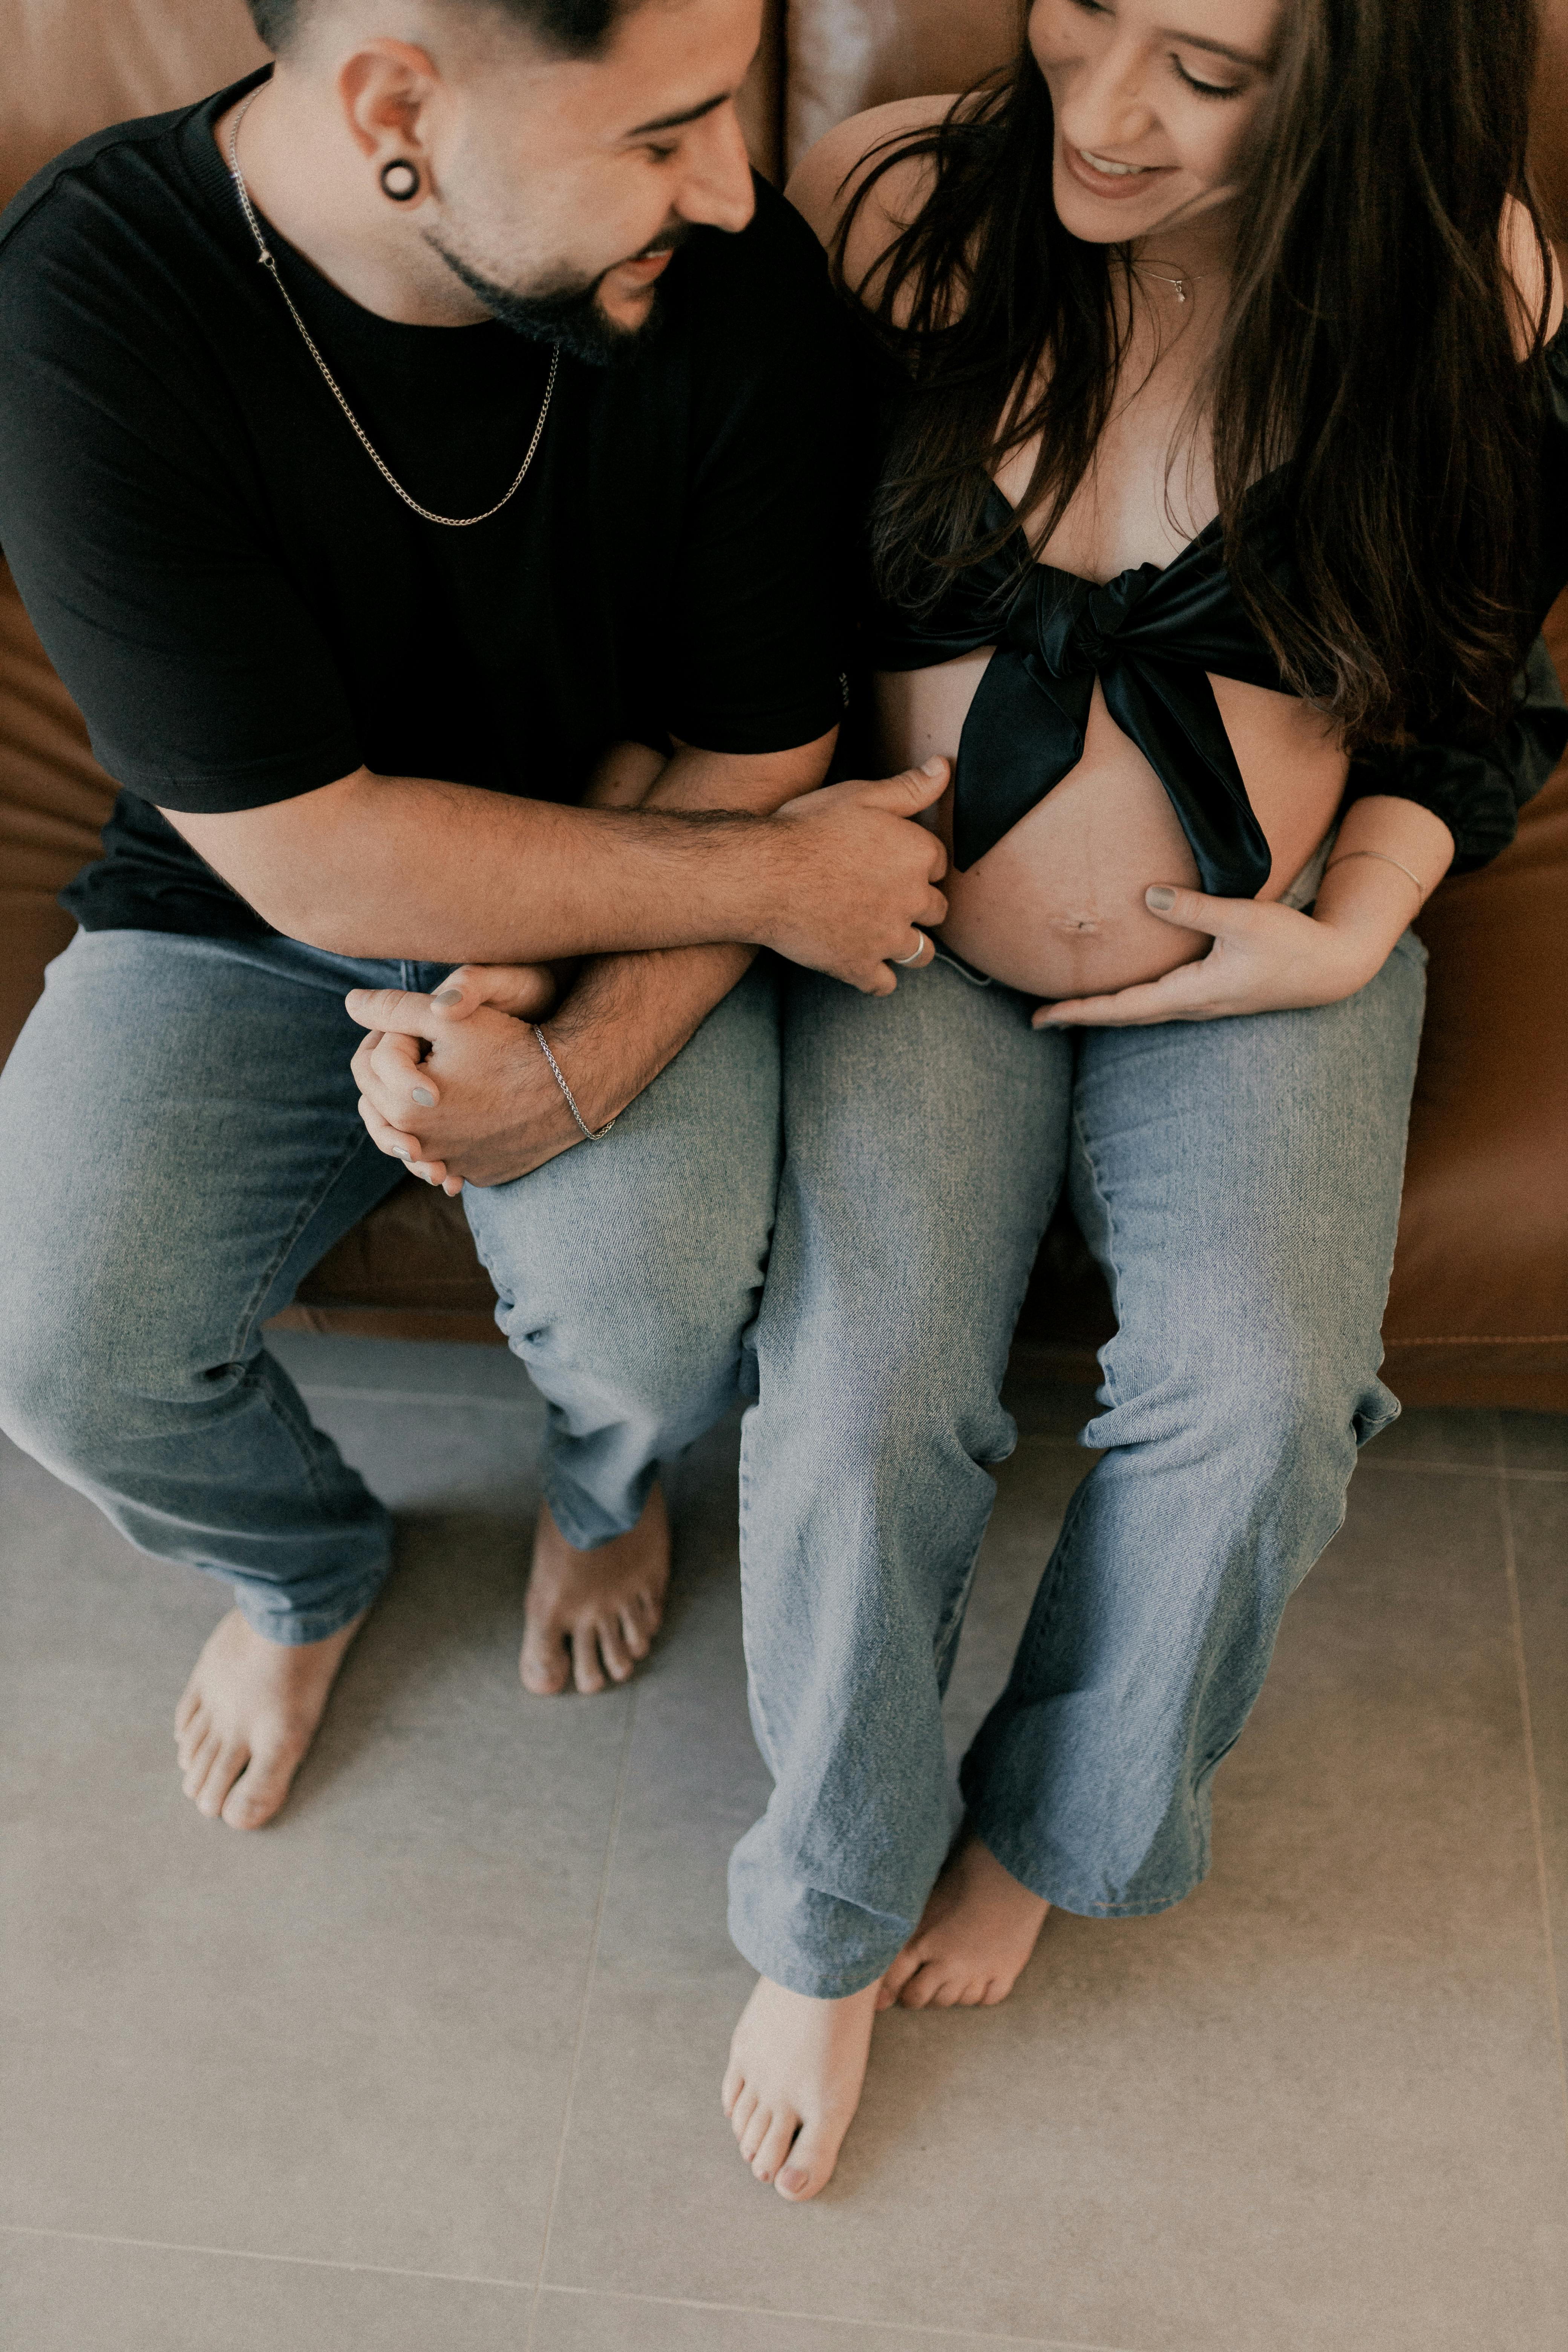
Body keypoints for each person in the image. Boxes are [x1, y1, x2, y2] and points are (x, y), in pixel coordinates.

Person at [716, 0, 1568, 2200]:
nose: (1104, 112)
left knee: (1262, 1395)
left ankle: (1053, 1821)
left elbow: (1488, 682)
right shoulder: (894, 207)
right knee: (856, 1401)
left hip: (1262, 950)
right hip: (915, 941)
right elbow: (722, 605)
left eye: (1211, 69)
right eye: (1084, 11)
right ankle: (826, 1901)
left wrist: (1357, 924)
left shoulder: (1460, 281)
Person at [0, 0, 950, 1832]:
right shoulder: (89, 297)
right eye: (661, 132)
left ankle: (601, 1492)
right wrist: (774, 887)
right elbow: (309, 855)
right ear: (394, 110)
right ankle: (305, 1572)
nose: (735, 188)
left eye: (732, 109)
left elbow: (756, 740)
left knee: (656, 1309)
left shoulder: (728, 282)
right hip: (248, 902)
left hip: (635, 839)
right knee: (53, 1345)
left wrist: (559, 1050)